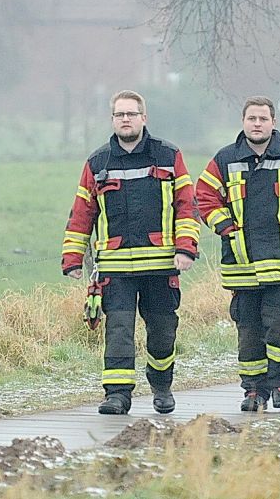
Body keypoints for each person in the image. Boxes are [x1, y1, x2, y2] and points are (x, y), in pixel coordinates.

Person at [61, 90, 200, 415]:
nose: (126, 119)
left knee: (163, 331)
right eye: (120, 114)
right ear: (112, 120)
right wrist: (73, 257)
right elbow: (82, 211)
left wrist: (186, 248)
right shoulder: (98, 163)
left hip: (161, 265)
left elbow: (187, 206)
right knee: (119, 330)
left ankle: (162, 385)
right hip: (116, 267)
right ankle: (117, 395)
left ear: (143, 118)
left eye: (131, 114)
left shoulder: (168, 156)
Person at [195, 95, 280, 412]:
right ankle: (253, 392)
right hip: (242, 264)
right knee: (250, 333)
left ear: (273, 122)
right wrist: (225, 226)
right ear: (243, 122)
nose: (257, 124)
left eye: (263, 119)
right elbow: (203, 196)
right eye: (251, 119)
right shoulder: (225, 159)